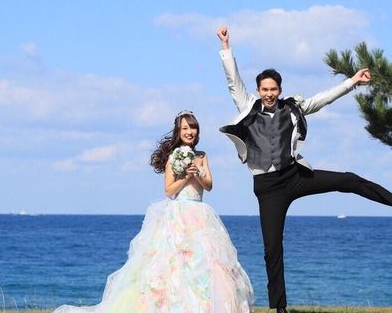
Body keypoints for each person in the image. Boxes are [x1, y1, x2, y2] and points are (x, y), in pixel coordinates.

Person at [216, 26, 392, 313]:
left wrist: (352, 81)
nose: (269, 94)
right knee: (272, 249)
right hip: (267, 188)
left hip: (295, 175)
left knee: (349, 180)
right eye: (264, 89)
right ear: (258, 91)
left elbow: (324, 98)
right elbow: (233, 81)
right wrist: (226, 47)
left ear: (280, 90)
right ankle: (280, 308)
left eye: (273, 89)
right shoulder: (247, 105)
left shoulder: (293, 108)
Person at [54, 111, 254, 313]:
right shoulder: (173, 156)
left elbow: (209, 185)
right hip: (179, 214)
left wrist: (198, 174)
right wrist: (185, 176)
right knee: (174, 262)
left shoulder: (202, 156)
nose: (189, 132)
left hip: (200, 214)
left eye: (192, 128)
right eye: (185, 128)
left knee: (207, 261)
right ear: (178, 131)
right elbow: (169, 190)